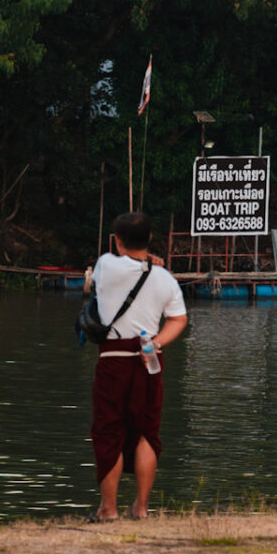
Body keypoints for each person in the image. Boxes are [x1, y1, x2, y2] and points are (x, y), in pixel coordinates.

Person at [84, 210, 187, 521]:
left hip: (113, 359)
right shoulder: (165, 279)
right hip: (148, 358)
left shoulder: (105, 265)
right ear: (150, 239)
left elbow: (94, 285)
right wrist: (157, 342)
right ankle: (141, 508)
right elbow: (178, 319)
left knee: (109, 432)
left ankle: (108, 509)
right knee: (146, 433)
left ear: (117, 240)